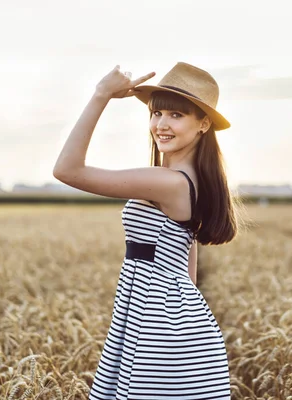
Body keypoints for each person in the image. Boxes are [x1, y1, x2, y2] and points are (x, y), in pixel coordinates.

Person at [53, 61, 241, 399]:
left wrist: (101, 95)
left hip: (158, 326)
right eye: (157, 113)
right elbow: (188, 257)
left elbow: (67, 170)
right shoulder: (187, 180)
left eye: (176, 115)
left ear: (203, 124)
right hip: (161, 320)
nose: (161, 124)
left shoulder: (167, 182)